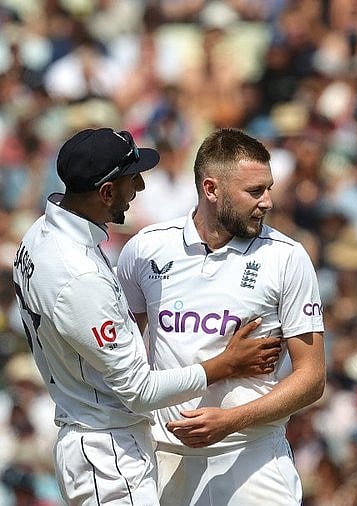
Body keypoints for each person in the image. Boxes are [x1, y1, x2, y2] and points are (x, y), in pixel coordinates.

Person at [10, 127, 281, 505]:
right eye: (131, 179)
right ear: (106, 192)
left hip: (91, 437)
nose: (139, 187)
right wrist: (226, 364)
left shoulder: (40, 233)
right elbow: (139, 392)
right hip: (108, 453)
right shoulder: (79, 275)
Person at [115, 128, 326, 505]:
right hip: (165, 458)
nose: (268, 202)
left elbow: (311, 378)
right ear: (211, 189)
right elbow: (120, 359)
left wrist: (232, 420)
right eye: (255, 191)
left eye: (269, 188)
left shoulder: (287, 257)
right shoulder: (146, 249)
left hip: (252, 456)